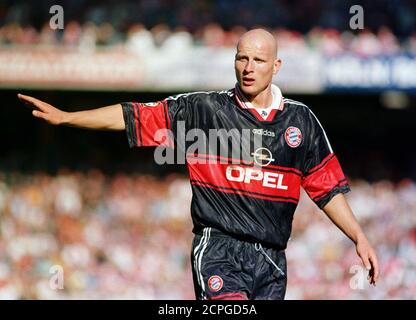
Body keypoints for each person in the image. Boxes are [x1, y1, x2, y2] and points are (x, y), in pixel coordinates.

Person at [18, 28, 379, 300]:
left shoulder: (301, 122)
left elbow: (326, 188)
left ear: (276, 65)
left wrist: (359, 236)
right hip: (218, 249)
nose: (248, 68)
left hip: (271, 261)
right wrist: (68, 117)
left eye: (258, 60)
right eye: (242, 58)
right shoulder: (204, 110)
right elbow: (135, 116)